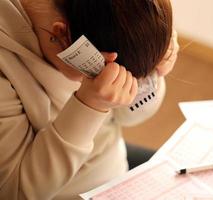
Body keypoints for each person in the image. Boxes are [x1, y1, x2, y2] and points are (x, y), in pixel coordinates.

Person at [0, 0, 179, 199]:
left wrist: (153, 73)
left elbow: (127, 116)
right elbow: (14, 192)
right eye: (99, 70)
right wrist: (88, 106)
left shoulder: (108, 26)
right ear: (61, 35)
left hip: (116, 173)